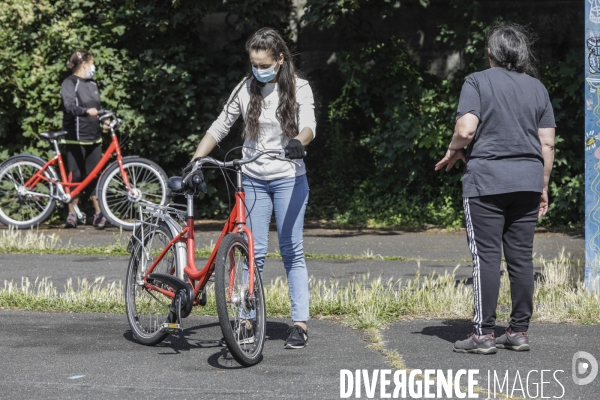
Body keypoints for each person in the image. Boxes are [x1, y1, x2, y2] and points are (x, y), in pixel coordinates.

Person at [434, 22, 556, 354]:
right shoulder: (537, 88)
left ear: (490, 53)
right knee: (521, 258)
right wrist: (542, 185)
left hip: (487, 181)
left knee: (486, 257)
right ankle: (518, 332)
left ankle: (483, 334)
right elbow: (547, 144)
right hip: (528, 182)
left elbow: (467, 129)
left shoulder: (477, 81)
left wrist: (453, 147)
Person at [191, 28, 316, 349]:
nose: (258, 69)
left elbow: (309, 126)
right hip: (253, 179)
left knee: (292, 252)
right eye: (253, 63)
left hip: (289, 177)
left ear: (279, 59)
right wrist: (196, 158)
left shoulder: (299, 87)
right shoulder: (245, 88)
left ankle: (299, 324)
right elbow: (221, 125)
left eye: (263, 63)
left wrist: (297, 143)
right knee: (252, 254)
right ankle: (246, 319)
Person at [60, 50, 108, 229]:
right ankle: (72, 213)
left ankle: (98, 214)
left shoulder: (92, 84)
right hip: (75, 137)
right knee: (76, 176)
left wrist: (105, 120)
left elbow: (97, 107)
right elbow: (69, 106)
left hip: (94, 137)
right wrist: (85, 112)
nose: (93, 67)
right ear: (84, 64)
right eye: (92, 63)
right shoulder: (69, 83)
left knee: (96, 176)